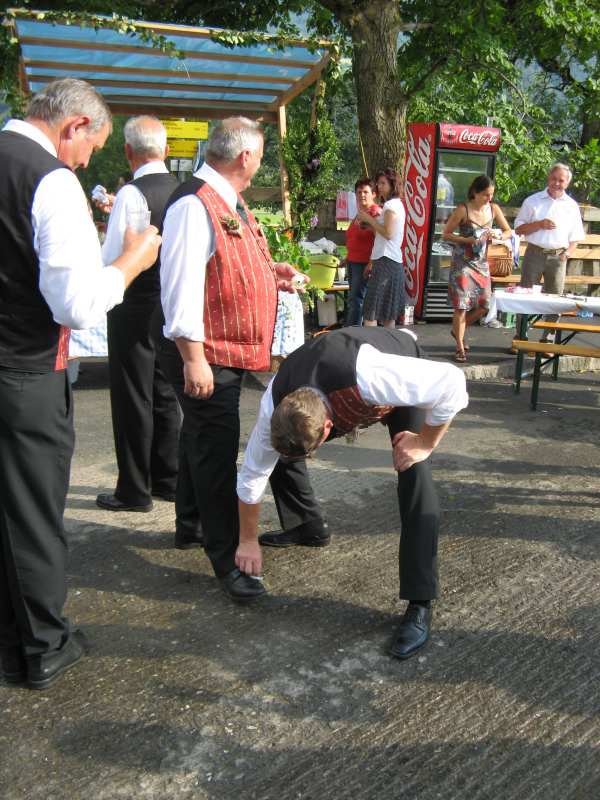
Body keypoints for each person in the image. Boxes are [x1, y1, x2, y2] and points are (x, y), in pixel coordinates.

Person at [0, 78, 161, 689]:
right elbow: (76, 304)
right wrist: (130, 262)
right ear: (74, 126)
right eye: (91, 146)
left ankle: (12, 639)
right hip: (26, 368)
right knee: (34, 512)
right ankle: (43, 644)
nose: (88, 161)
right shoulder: (51, 180)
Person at [235, 327, 468, 660]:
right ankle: (306, 526)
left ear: (329, 429)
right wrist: (247, 540)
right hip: (340, 382)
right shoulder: (274, 402)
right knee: (279, 454)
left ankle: (420, 603)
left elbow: (452, 382)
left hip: (398, 365)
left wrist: (424, 443)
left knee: (413, 470)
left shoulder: (373, 376)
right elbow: (252, 476)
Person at [159, 116, 303, 600]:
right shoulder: (195, 203)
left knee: (198, 439)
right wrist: (193, 358)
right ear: (246, 156)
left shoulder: (225, 198)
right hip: (205, 351)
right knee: (215, 451)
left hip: (218, 349)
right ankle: (227, 560)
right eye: (260, 154)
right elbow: (180, 288)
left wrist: (270, 272)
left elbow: (225, 262)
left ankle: (190, 525)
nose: (261, 162)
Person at [95, 116, 181, 513]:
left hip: (133, 303)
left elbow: (113, 257)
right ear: (166, 150)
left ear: (129, 151)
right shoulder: (182, 191)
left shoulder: (132, 194)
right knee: (164, 392)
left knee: (133, 395)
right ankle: (168, 477)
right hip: (169, 302)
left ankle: (134, 489)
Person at [442, 175, 511, 362]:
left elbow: (508, 231)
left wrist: (498, 235)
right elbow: (446, 234)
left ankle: (458, 329)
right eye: (485, 195)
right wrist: (467, 240)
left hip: (481, 263)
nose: (489, 198)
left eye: (491, 195)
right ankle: (460, 347)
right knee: (461, 306)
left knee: (484, 305)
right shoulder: (463, 210)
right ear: (475, 192)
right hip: (463, 262)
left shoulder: (494, 209)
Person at [514, 163, 585, 341]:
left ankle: (548, 340)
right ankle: (521, 337)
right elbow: (518, 229)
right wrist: (539, 224)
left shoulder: (571, 206)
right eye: (554, 179)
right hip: (534, 253)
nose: (556, 183)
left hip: (558, 256)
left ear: (567, 183)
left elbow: (576, 237)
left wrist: (566, 254)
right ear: (548, 178)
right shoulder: (533, 201)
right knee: (526, 295)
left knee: (555, 300)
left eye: (561, 180)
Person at [357, 168, 406, 329]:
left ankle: (369, 343)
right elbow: (387, 233)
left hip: (386, 260)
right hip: (392, 261)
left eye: (383, 183)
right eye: (378, 183)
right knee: (387, 314)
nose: (379, 186)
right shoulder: (396, 204)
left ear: (393, 184)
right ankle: (387, 343)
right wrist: (371, 225)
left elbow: (388, 233)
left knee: (371, 311)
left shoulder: (391, 205)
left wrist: (369, 219)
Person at [342, 178, 381, 326]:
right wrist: (347, 258)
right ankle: (352, 328)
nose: (362, 195)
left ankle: (353, 331)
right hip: (353, 261)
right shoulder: (360, 213)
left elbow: (380, 240)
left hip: (364, 263)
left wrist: (372, 263)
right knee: (353, 298)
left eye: (366, 192)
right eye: (359, 192)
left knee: (357, 299)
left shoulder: (375, 213)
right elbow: (354, 238)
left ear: (374, 194)